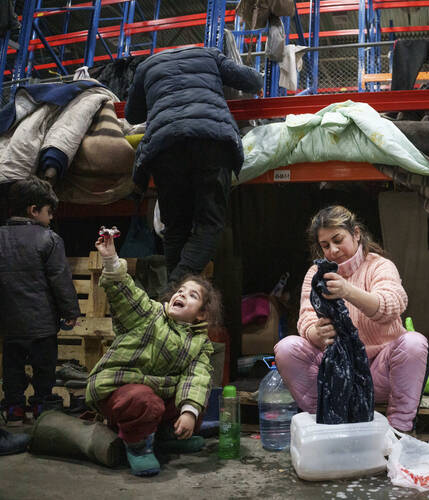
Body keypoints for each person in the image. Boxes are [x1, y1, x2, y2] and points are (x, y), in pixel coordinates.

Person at [275, 206, 429, 432]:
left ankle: (398, 430)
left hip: (377, 372)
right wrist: (316, 333)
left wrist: (348, 291)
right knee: (287, 348)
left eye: (338, 240)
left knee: (414, 343)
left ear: (356, 234)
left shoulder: (380, 266)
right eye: (325, 245)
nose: (334, 250)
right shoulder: (315, 274)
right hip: (336, 375)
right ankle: (324, 419)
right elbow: (306, 319)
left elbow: (392, 305)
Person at [125, 46, 263, 285]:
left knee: (176, 227)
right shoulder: (209, 54)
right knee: (209, 223)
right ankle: (173, 292)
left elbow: (132, 115)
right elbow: (253, 81)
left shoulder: (146, 66)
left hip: (164, 147)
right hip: (211, 140)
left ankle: (173, 299)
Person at [85, 232, 220, 477]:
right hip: (121, 392)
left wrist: (189, 412)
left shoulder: (199, 343)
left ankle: (167, 436)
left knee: (198, 400)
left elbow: (196, 378)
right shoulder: (150, 314)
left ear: (201, 314)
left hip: (156, 399)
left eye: (192, 295)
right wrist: (111, 260)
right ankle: (137, 446)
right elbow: (126, 294)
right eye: (180, 290)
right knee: (146, 401)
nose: (181, 295)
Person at [0, 177, 80, 425]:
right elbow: (60, 280)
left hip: (9, 323)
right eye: (49, 212)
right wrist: (70, 311)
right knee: (44, 367)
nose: (51, 218)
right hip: (42, 324)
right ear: (33, 210)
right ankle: (42, 407)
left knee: (12, 365)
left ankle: (13, 407)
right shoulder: (50, 239)